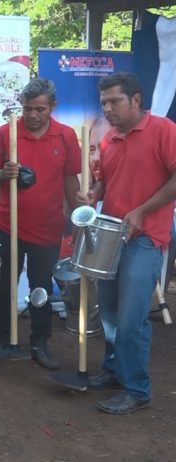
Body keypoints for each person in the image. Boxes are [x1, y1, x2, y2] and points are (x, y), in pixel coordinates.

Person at [78, 72, 176, 414]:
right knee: (108, 313)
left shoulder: (163, 130)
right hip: (111, 236)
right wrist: (94, 195)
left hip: (147, 238)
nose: (107, 108)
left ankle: (137, 389)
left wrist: (143, 211)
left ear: (136, 99)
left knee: (132, 315)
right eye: (104, 102)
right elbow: (107, 181)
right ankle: (114, 371)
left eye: (114, 101)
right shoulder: (109, 140)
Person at [0, 78, 81, 369]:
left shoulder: (65, 136)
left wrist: (76, 219)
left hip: (48, 227)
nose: (33, 115)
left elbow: (70, 179)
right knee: (4, 283)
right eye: (27, 109)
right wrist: (5, 173)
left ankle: (39, 340)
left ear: (52, 107)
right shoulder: (6, 133)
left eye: (40, 109)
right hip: (8, 224)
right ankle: (0, 337)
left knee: (40, 287)